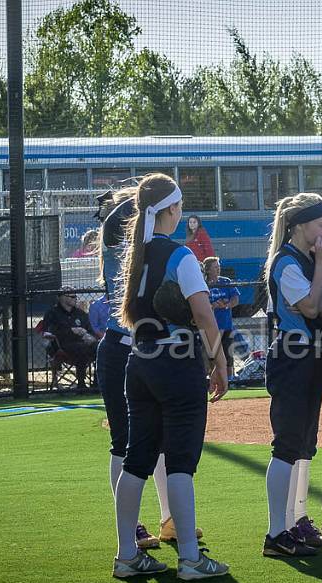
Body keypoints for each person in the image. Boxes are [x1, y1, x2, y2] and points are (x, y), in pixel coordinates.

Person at [112, 172, 229, 579]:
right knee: (180, 461)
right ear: (173, 210)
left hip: (139, 361)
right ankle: (192, 559)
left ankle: (127, 555)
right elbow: (202, 313)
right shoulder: (180, 256)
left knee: (137, 459)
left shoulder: (137, 253)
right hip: (177, 364)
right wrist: (219, 360)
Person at [97, 187, 200, 555]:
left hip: (144, 353)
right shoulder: (132, 248)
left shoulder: (146, 251)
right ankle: (133, 530)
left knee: (152, 447)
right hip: (132, 350)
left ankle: (170, 520)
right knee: (127, 446)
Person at [262, 193, 322, 558]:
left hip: (311, 356)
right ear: (299, 227)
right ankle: (276, 532)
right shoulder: (288, 261)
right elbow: (311, 307)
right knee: (288, 445)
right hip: (294, 355)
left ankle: (296, 521)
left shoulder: (308, 260)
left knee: (304, 445)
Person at [43, 287, 97, 390]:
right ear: (62, 298)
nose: (75, 299)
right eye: (72, 296)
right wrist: (71, 331)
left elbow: (90, 330)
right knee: (81, 348)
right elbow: (49, 332)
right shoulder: (52, 313)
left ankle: (97, 384)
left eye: (75, 297)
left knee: (99, 347)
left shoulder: (80, 314)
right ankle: (81, 385)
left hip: (83, 344)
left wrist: (90, 337)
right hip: (61, 345)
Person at [202, 256, 240, 373]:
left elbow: (235, 298)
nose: (218, 269)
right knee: (211, 355)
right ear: (208, 270)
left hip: (225, 325)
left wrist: (227, 304)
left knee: (228, 355)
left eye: (219, 266)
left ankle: (230, 379)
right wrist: (212, 306)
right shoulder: (203, 283)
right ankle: (212, 377)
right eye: (215, 267)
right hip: (210, 327)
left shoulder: (225, 281)